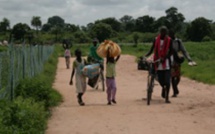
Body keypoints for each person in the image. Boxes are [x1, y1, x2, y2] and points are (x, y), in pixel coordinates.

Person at [145, 26, 173, 103]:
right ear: (160, 32)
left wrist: (165, 57)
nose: (163, 33)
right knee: (161, 81)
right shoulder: (156, 39)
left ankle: (167, 98)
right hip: (158, 62)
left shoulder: (169, 40)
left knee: (167, 81)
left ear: (166, 32)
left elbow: (171, 51)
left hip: (166, 63)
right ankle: (163, 88)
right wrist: (146, 55)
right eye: (161, 31)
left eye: (164, 31)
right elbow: (151, 49)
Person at [169, 30, 196, 97]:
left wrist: (189, 59)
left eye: (171, 34)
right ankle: (175, 91)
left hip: (177, 60)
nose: (170, 36)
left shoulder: (178, 41)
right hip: (170, 60)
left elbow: (184, 51)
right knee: (172, 76)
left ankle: (175, 88)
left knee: (178, 77)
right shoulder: (168, 41)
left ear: (174, 34)